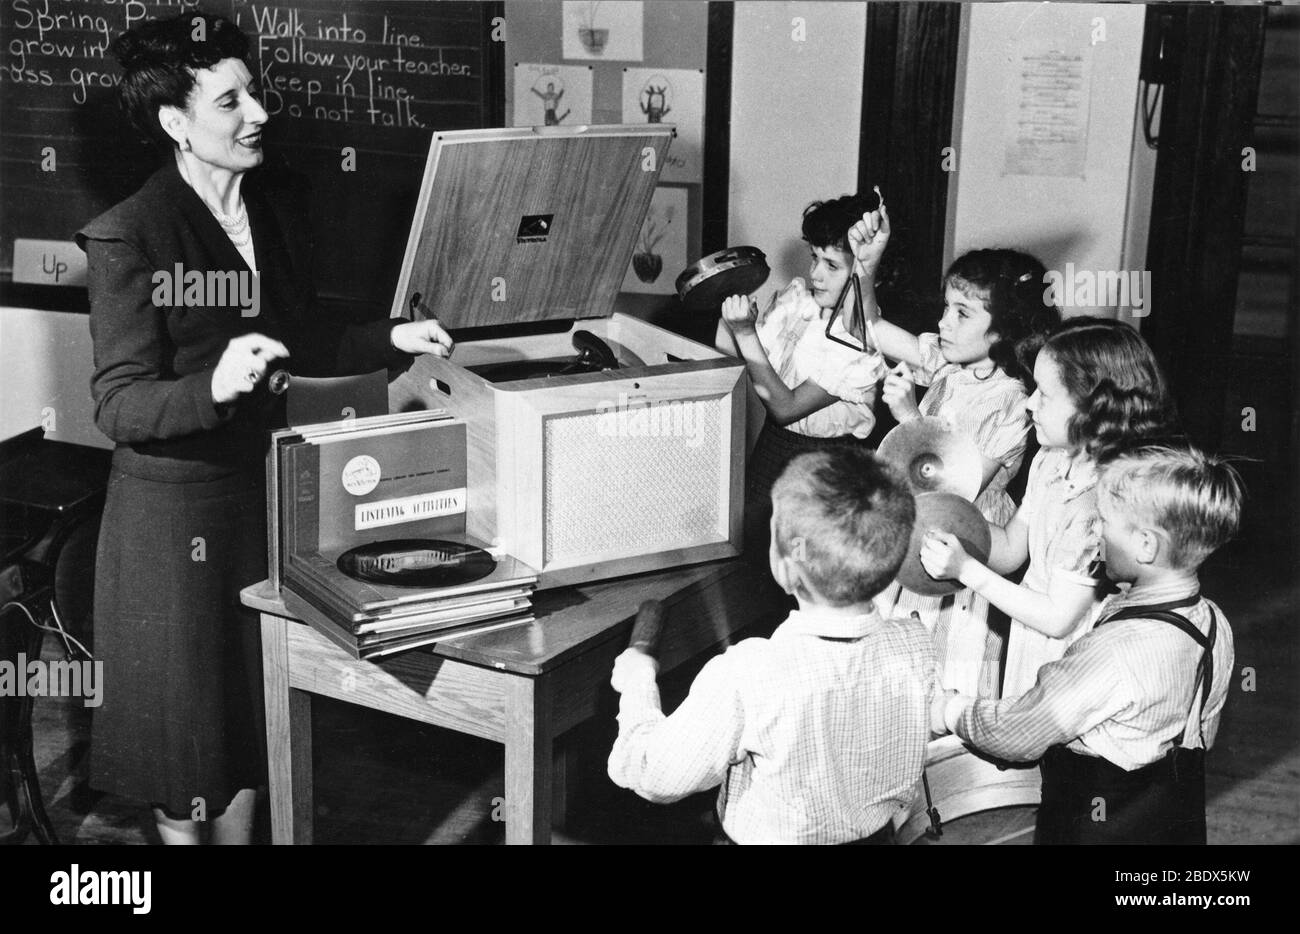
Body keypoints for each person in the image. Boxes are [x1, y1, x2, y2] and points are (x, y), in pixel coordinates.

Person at [76, 12, 453, 844]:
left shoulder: (269, 208)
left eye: (255, 93)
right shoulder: (130, 234)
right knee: (186, 772)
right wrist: (211, 384)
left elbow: (304, 340)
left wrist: (389, 341)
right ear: (175, 123)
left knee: (249, 743)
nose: (258, 114)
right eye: (230, 101)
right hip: (172, 530)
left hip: (264, 506)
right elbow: (120, 403)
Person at [606, 448, 935, 844]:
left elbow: (657, 775)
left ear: (786, 565)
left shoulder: (750, 672)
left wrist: (638, 684)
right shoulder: (916, 645)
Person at [931, 445, 1242, 844]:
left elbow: (1016, 734)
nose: (1096, 532)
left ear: (1146, 546)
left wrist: (949, 709)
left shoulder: (1115, 649)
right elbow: (1203, 733)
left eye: (1105, 522)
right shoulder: (1215, 621)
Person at [849, 201, 1058, 697]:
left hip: (961, 546)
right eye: (945, 307)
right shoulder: (948, 363)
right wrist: (866, 267)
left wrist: (910, 421)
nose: (944, 322)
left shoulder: (1010, 400)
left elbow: (958, 488)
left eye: (962, 313)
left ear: (1004, 328)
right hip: (913, 533)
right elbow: (869, 328)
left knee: (941, 677)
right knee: (888, 675)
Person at [918, 317, 1181, 699]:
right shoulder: (1052, 459)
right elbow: (1010, 549)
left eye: (1043, 393)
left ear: (1094, 407)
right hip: (1033, 637)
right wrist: (945, 514)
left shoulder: (1103, 499)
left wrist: (966, 570)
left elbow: (1059, 619)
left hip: (1077, 657)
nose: (1029, 403)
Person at [715, 193, 887, 559]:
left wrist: (746, 333)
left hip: (825, 466)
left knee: (808, 571)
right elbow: (731, 354)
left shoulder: (857, 338)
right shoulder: (798, 302)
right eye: (814, 258)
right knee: (754, 565)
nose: (815, 274)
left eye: (831, 265)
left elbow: (785, 407)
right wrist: (728, 306)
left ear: (862, 270)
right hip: (771, 451)